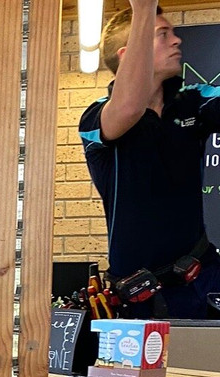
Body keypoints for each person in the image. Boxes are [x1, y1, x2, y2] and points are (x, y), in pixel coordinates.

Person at [78, 1, 220, 319]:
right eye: (163, 34)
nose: (176, 40)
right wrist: (144, 9)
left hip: (204, 282)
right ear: (130, 55)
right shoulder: (96, 118)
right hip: (136, 298)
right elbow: (128, 108)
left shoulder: (194, 101)